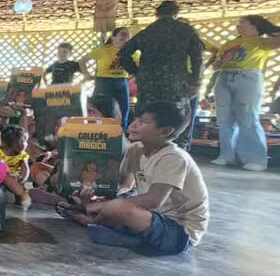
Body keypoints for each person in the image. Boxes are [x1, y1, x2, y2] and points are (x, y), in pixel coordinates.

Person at [56, 101, 208, 256]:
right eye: (136, 119)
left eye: (142, 122)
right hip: (151, 218)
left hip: (179, 232)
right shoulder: (135, 150)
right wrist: (89, 193)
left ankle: (94, 223)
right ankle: (123, 234)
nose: (133, 125)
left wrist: (98, 208)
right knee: (105, 202)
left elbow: (154, 200)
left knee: (120, 207)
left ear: (165, 131)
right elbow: (111, 183)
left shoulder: (174, 158)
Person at [117, 1, 203, 147]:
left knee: (146, 114)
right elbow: (197, 58)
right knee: (177, 115)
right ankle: (175, 148)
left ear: (157, 14)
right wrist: (196, 82)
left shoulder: (147, 32)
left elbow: (123, 54)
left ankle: (143, 148)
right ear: (175, 13)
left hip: (148, 82)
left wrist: (137, 72)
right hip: (176, 81)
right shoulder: (186, 31)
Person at [208, 15, 280, 170]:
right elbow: (216, 65)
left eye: (243, 22)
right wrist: (220, 63)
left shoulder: (261, 42)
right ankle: (226, 155)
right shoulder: (230, 43)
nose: (238, 25)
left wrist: (271, 29)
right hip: (224, 77)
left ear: (254, 26)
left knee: (248, 117)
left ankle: (255, 159)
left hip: (248, 77)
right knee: (224, 119)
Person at [79, 27, 132, 130]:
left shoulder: (131, 51)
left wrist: (130, 78)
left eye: (128, 35)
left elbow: (139, 67)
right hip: (104, 82)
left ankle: (120, 134)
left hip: (122, 82)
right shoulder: (103, 50)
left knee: (124, 109)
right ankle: (99, 131)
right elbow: (82, 61)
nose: (125, 37)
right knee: (102, 109)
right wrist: (87, 75)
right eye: (122, 34)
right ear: (113, 38)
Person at [0, 125, 31, 207]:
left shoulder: (22, 155)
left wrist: (23, 178)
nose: (27, 144)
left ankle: (20, 198)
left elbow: (25, 168)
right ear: (16, 143)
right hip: (1, 176)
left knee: (21, 186)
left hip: (16, 176)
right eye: (25, 141)